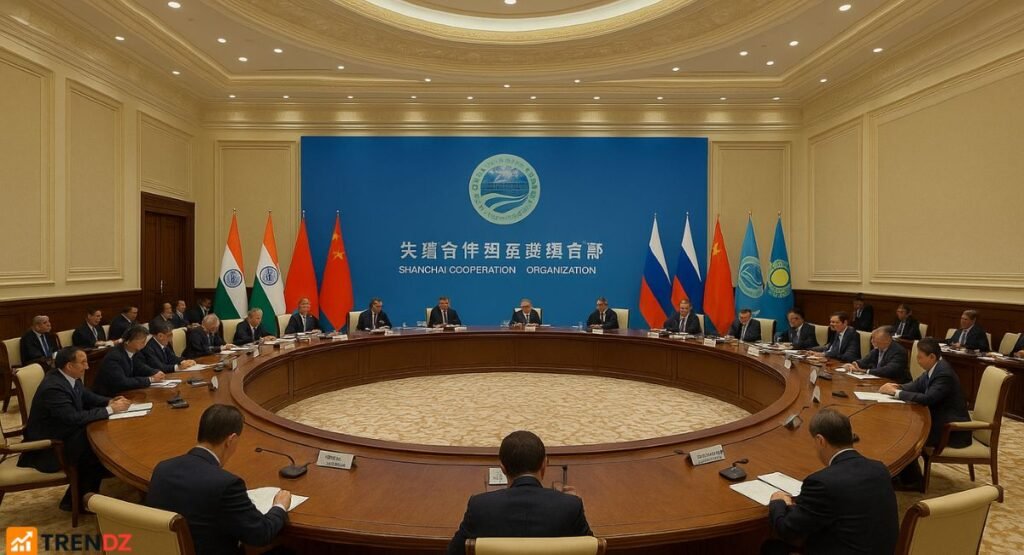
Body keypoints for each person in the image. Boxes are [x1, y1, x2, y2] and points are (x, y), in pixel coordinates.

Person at [146, 404, 292, 555]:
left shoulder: (162, 469)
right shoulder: (226, 484)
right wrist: (279, 506)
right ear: (231, 440)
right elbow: (260, 534)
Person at [763, 409, 898, 555]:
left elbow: (788, 531)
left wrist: (777, 502)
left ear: (820, 440)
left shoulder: (821, 483)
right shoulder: (880, 469)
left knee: (771, 548)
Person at [17, 347, 131, 512]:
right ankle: (78, 501)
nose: (87, 367)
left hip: (65, 433)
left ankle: (84, 496)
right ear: (69, 366)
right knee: (96, 446)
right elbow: (73, 418)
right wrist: (111, 410)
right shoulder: (53, 388)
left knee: (98, 438)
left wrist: (110, 401)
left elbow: (87, 396)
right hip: (50, 446)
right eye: (83, 362)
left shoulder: (69, 377)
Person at [446, 431, 591, 555]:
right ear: (544, 464)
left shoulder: (479, 506)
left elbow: (454, 552)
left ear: (502, 468)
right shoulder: (570, 505)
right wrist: (572, 504)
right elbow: (590, 548)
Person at [879, 337, 971, 489]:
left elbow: (928, 398)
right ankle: (903, 475)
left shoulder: (943, 373)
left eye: (920, 357)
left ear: (932, 357)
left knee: (908, 433)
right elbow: (916, 385)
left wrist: (896, 393)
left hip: (951, 430)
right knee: (902, 427)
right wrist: (897, 387)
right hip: (939, 419)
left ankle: (913, 480)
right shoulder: (933, 368)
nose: (917, 360)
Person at [92, 325, 166, 396]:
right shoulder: (114, 357)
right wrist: (149, 379)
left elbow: (140, 367)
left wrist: (155, 372)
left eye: (144, 341)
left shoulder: (135, 352)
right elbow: (123, 382)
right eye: (142, 342)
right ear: (127, 341)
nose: (144, 344)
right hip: (109, 397)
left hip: (125, 394)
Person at [843, 326, 910, 382]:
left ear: (887, 340)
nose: (872, 341)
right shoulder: (877, 349)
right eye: (872, 338)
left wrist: (866, 371)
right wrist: (853, 364)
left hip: (895, 383)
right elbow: (864, 361)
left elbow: (889, 370)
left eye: (875, 339)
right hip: (878, 381)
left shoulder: (899, 351)